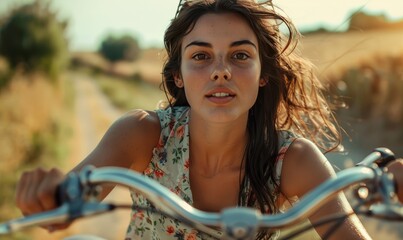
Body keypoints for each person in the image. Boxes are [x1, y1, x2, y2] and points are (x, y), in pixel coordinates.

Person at [14, 0, 383, 239]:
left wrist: (389, 186)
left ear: (262, 73)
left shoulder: (291, 159)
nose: (220, 71)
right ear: (178, 76)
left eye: (239, 56)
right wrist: (51, 197)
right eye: (201, 56)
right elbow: (64, 208)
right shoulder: (143, 134)